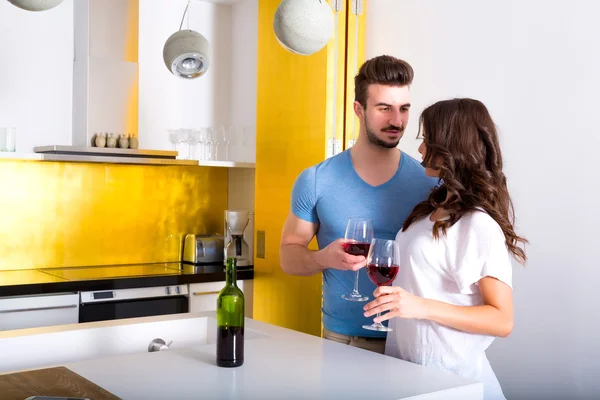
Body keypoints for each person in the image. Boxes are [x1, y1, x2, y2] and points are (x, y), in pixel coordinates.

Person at [363, 98, 527, 398]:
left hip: (454, 384)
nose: (421, 149)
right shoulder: (429, 211)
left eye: (427, 140)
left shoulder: (478, 224)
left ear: (452, 147)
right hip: (411, 379)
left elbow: (502, 320)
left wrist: (419, 306)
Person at [280, 55, 438, 354]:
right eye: (384, 109)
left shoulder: (430, 183)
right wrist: (321, 258)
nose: (397, 121)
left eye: (404, 108)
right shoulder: (315, 179)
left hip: (413, 343)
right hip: (343, 342)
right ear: (359, 109)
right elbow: (289, 257)